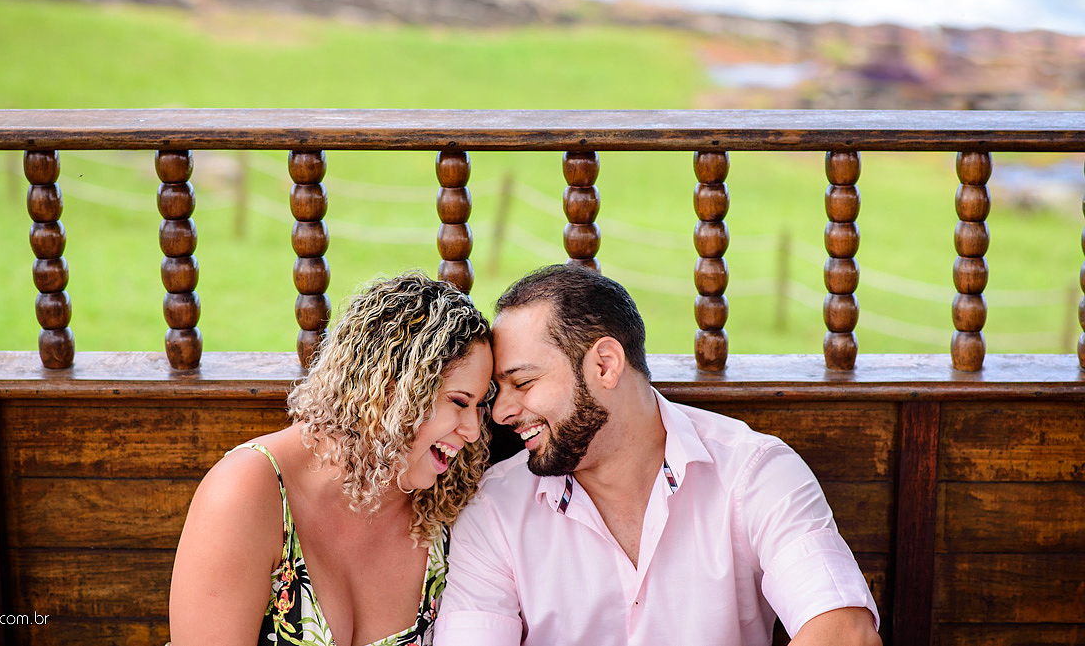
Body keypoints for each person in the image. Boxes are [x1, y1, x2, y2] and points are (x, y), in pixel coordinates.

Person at [434, 265, 881, 646]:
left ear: (605, 365)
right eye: (498, 390)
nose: (501, 411)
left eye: (523, 383)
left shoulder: (753, 473)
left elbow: (845, 630)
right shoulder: (495, 508)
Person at [169, 272, 494, 646]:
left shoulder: (445, 503)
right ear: (389, 389)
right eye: (458, 402)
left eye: (480, 405)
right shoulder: (247, 492)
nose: (472, 430)